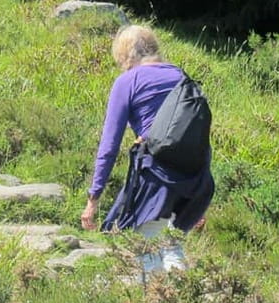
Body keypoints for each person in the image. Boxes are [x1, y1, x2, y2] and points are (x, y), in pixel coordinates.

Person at [80, 25, 214, 276]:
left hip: (156, 177)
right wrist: (199, 201)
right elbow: (199, 137)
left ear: (127, 55)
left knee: (148, 246)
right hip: (193, 179)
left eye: (121, 61)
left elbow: (109, 146)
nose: (122, 66)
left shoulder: (127, 82)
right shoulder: (180, 76)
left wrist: (93, 198)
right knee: (171, 245)